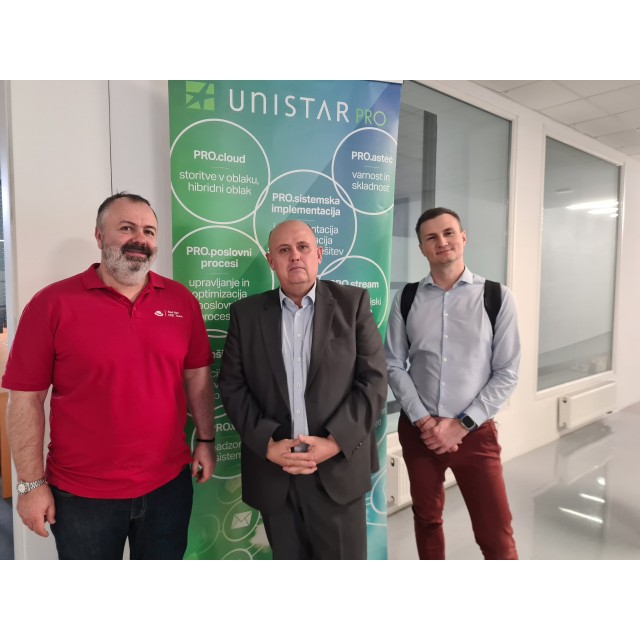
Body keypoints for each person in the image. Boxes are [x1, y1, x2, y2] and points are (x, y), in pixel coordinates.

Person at [2, 192, 216, 560]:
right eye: (127, 228)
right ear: (99, 236)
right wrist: (30, 485)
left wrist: (206, 440)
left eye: (149, 231)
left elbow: (197, 377)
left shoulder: (181, 301)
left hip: (168, 487)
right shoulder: (51, 304)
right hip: (82, 496)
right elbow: (25, 399)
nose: (140, 239)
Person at [218, 220, 387, 560]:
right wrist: (267, 444)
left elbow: (373, 381)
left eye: (303, 247)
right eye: (284, 250)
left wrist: (334, 442)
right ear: (271, 261)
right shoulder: (246, 315)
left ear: (318, 254)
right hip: (275, 476)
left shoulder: (352, 304)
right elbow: (232, 385)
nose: (294, 256)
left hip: (337, 473)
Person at [385, 207, 520, 560]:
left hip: (475, 435)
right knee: (427, 519)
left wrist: (461, 425)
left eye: (448, 233)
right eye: (431, 237)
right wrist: (424, 422)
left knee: (496, 532)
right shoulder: (407, 298)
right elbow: (393, 364)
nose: (441, 242)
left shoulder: (496, 297)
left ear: (463, 237)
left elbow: (507, 372)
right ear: (421, 248)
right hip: (420, 434)